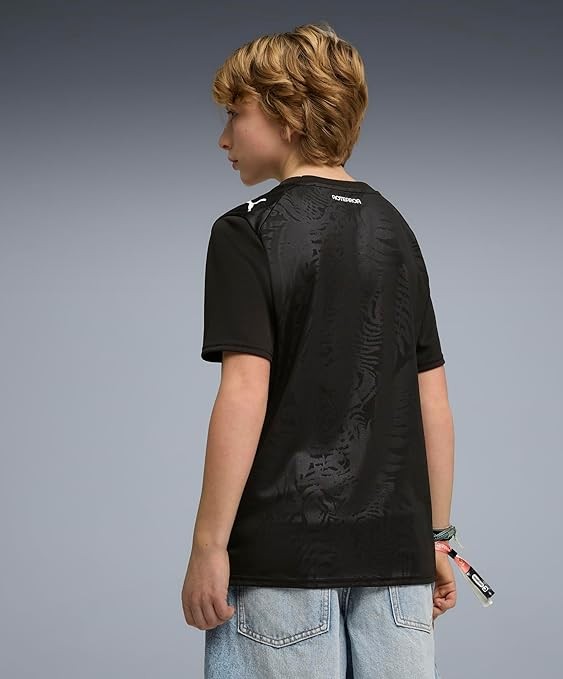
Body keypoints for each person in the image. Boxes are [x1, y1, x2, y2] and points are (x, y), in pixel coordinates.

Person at [180, 21, 457, 679]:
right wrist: (437, 540)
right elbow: (433, 400)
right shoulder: (395, 229)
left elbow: (244, 391)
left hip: (283, 561)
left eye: (235, 113)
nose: (223, 137)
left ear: (287, 113)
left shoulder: (247, 232)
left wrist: (209, 546)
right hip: (397, 564)